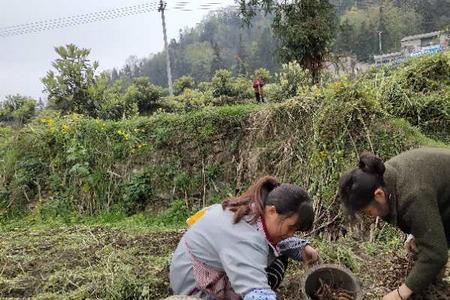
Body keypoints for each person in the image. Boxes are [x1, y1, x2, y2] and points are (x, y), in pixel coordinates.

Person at [170, 176, 320, 299]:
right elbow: (257, 294)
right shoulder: (244, 236)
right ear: (272, 211)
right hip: (194, 283)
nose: (290, 234)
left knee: (280, 256)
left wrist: (301, 247)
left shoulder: (253, 211)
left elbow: (272, 240)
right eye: (290, 227)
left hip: (212, 266)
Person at [338, 147, 450, 300]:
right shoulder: (382, 176)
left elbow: (436, 254)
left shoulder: (412, 195)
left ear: (378, 195)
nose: (370, 217)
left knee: (432, 253)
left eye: (368, 212)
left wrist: (400, 293)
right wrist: (416, 234)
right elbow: (426, 205)